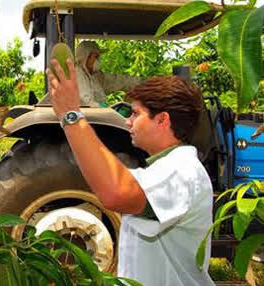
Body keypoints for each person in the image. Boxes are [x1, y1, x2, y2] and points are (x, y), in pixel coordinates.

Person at [46, 58, 214, 286]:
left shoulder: (181, 171)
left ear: (163, 120)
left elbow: (117, 192)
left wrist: (71, 116)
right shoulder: (164, 168)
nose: (128, 122)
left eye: (136, 114)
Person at [75, 40, 142, 107]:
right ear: (86, 57)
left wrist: (142, 82)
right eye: (96, 57)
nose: (98, 60)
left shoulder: (97, 76)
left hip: (98, 116)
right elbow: (85, 101)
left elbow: (118, 81)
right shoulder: (78, 75)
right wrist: (102, 107)